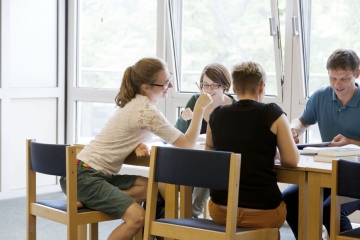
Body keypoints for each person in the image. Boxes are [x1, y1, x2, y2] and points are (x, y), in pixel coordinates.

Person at [59, 57, 212, 240]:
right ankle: (92, 197)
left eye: (169, 79)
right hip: (85, 177)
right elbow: (186, 144)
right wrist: (200, 109)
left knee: (150, 188)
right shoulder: (145, 111)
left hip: (84, 173)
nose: (170, 87)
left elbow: (130, 132)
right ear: (146, 87)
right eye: (165, 83)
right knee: (137, 218)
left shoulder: (136, 104)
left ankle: (92, 199)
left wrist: (139, 143)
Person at [205, 61, 299, 230]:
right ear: (262, 87)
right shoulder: (272, 113)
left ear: (234, 89)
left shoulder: (216, 114)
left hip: (221, 211)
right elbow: (291, 161)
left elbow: (210, 156)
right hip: (263, 214)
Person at [282, 48, 360, 239]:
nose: (337, 84)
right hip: (326, 172)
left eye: (343, 79)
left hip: (356, 176)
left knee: (330, 209)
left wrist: (350, 142)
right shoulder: (321, 96)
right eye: (333, 78)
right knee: (289, 199)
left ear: (357, 74)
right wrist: (293, 129)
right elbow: (302, 121)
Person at [174, 63, 236, 218]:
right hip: (192, 157)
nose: (209, 90)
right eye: (205, 85)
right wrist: (183, 118)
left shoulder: (233, 105)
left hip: (221, 159)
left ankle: (191, 212)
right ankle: (187, 213)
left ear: (225, 85)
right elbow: (177, 134)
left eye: (214, 85)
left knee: (210, 163)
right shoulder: (196, 100)